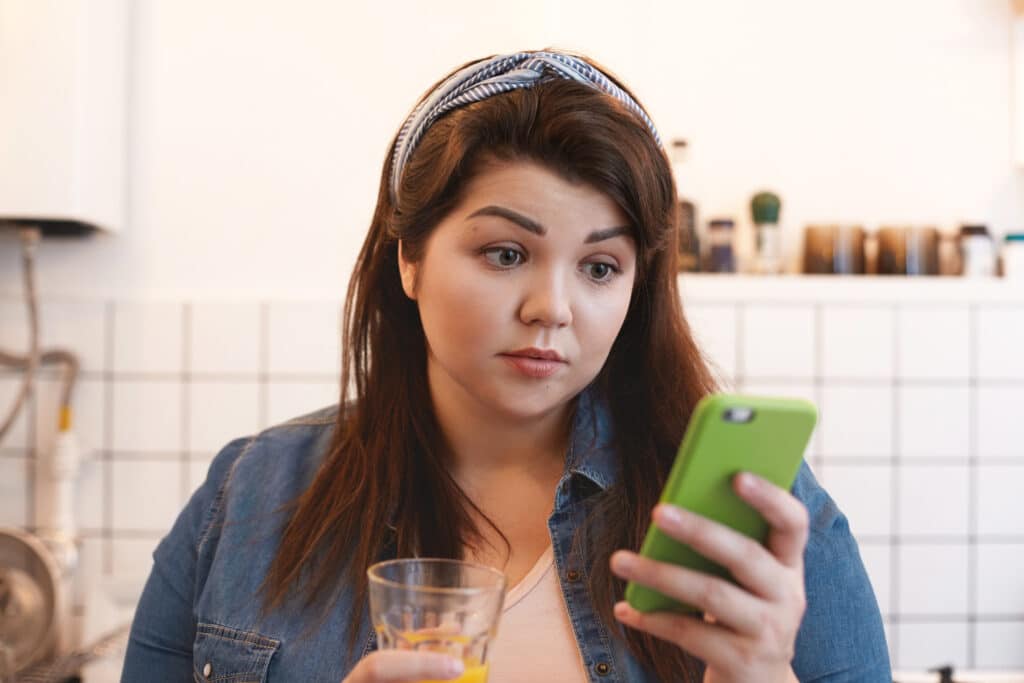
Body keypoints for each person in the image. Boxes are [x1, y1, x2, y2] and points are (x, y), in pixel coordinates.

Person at [121, 49, 891, 682]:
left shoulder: (755, 515)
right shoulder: (248, 497)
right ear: (409, 258)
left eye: (599, 267)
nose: (551, 308)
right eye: (506, 253)